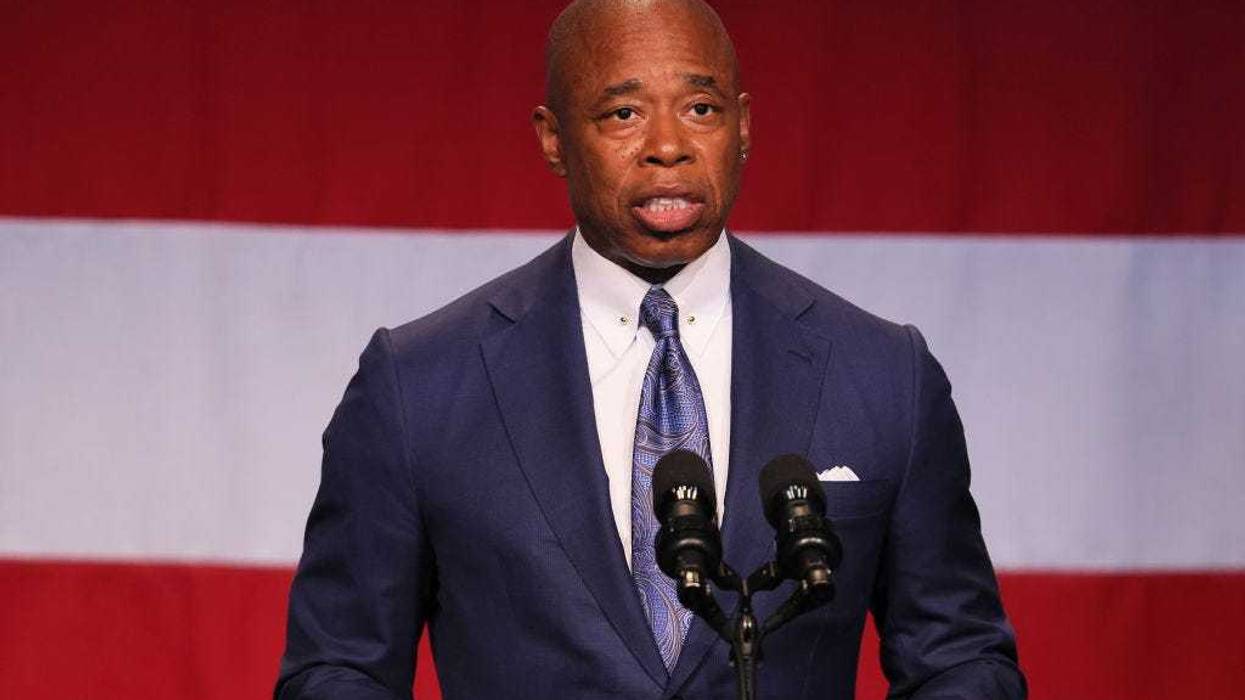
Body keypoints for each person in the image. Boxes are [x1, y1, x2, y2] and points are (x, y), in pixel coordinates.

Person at [275, 0, 1025, 697]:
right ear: (553, 139)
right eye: (623, 113)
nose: (668, 146)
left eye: (700, 109)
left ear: (742, 126)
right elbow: (339, 668)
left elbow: (959, 659)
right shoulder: (418, 385)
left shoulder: (882, 373)